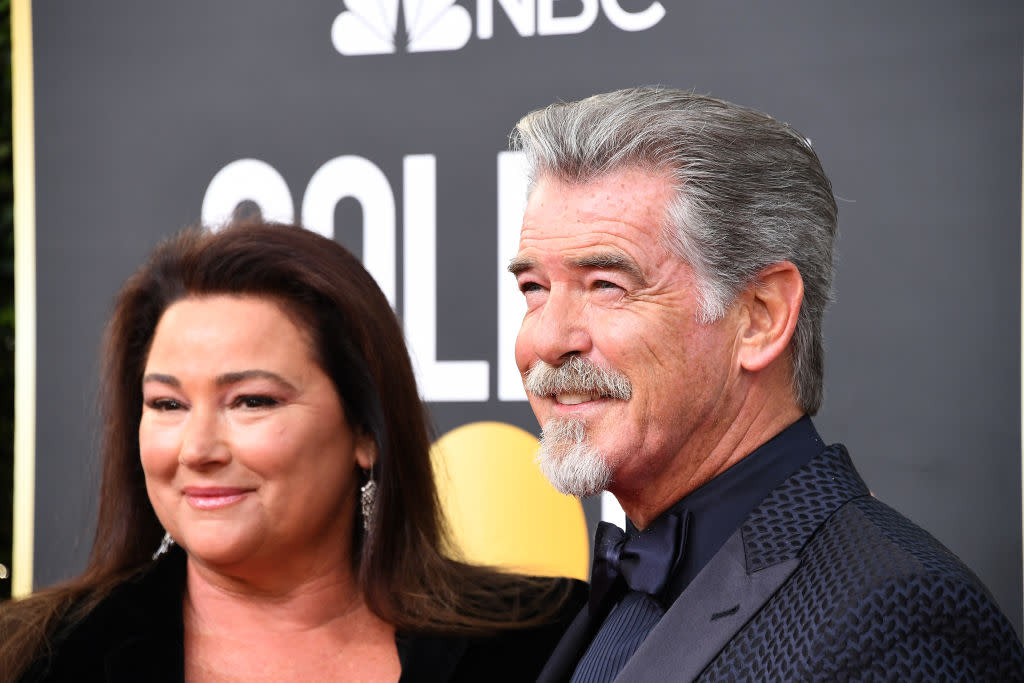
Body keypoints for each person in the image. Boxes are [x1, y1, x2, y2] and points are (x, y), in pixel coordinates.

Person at [507, 87, 1024, 681]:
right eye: (534, 290)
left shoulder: (901, 616)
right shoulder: (621, 594)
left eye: (606, 285)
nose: (546, 341)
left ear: (761, 316)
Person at [0, 221, 585, 682]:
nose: (197, 449)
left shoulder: (550, 642)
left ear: (364, 429)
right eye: (167, 405)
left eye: (251, 401)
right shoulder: (30, 657)